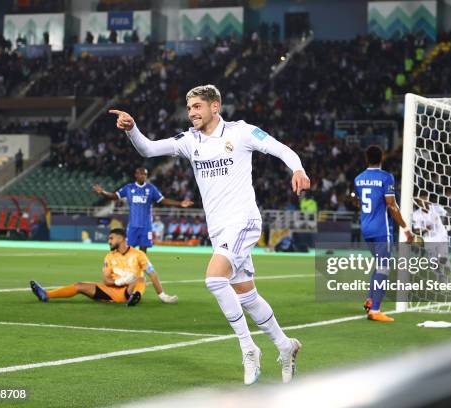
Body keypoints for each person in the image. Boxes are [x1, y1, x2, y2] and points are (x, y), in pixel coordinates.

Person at [108, 84, 311, 385]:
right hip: (218, 228)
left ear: (215, 106)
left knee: (214, 279)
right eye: (189, 108)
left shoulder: (241, 132)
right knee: (247, 294)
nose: (191, 113)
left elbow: (280, 148)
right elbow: (148, 149)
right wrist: (132, 129)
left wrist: (298, 169)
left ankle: (249, 348)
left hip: (242, 221)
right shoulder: (189, 141)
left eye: (197, 107)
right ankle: (285, 345)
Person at [30, 228, 177, 305]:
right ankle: (46, 295)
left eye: (111, 238)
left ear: (121, 239)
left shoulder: (139, 254)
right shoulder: (109, 257)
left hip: (129, 291)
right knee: (79, 285)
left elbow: (153, 274)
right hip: (112, 291)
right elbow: (106, 280)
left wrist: (162, 295)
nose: (109, 241)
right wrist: (118, 282)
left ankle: (135, 297)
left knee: (140, 280)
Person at [353, 145, 413, 322]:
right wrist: (406, 228)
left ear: (366, 158)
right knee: (384, 267)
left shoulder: (358, 179)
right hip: (381, 230)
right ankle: (375, 311)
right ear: (382, 158)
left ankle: (370, 301)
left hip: (365, 228)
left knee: (380, 265)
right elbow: (391, 205)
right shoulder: (386, 177)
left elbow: (358, 201)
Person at [93, 167, 193, 252]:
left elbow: (163, 200)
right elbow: (114, 196)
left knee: (143, 251)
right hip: (133, 225)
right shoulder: (129, 188)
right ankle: (130, 272)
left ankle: (140, 273)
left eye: (145, 174)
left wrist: (180, 203)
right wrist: (103, 192)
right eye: (141, 174)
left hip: (146, 226)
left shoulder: (151, 188)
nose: (143, 176)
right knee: (129, 250)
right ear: (136, 175)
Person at [412, 192, 451, 282]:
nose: (423, 203)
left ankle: (449, 270)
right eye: (420, 202)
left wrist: (447, 224)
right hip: (429, 240)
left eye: (424, 200)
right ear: (418, 203)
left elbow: (447, 213)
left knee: (443, 259)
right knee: (433, 263)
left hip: (441, 236)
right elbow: (416, 230)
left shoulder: (435, 207)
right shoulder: (416, 215)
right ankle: (442, 280)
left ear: (427, 199)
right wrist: (425, 229)